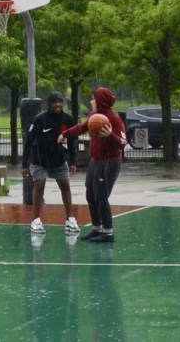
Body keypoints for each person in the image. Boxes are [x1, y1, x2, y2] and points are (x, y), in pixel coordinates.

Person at [58, 87, 127, 243]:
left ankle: (108, 233)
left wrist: (111, 136)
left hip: (109, 161)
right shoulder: (93, 116)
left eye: (93, 98)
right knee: (90, 194)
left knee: (101, 196)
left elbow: (123, 143)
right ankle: (97, 228)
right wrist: (65, 134)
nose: (91, 101)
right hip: (96, 161)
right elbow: (81, 127)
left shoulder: (114, 119)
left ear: (100, 101)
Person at [22, 91, 80, 236]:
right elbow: (28, 142)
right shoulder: (40, 119)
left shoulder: (68, 119)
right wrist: (24, 164)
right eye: (55, 101)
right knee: (39, 184)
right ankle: (36, 221)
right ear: (50, 104)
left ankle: (70, 220)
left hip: (59, 160)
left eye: (60, 101)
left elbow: (73, 142)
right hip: (39, 160)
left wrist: (73, 161)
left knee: (65, 186)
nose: (58, 104)